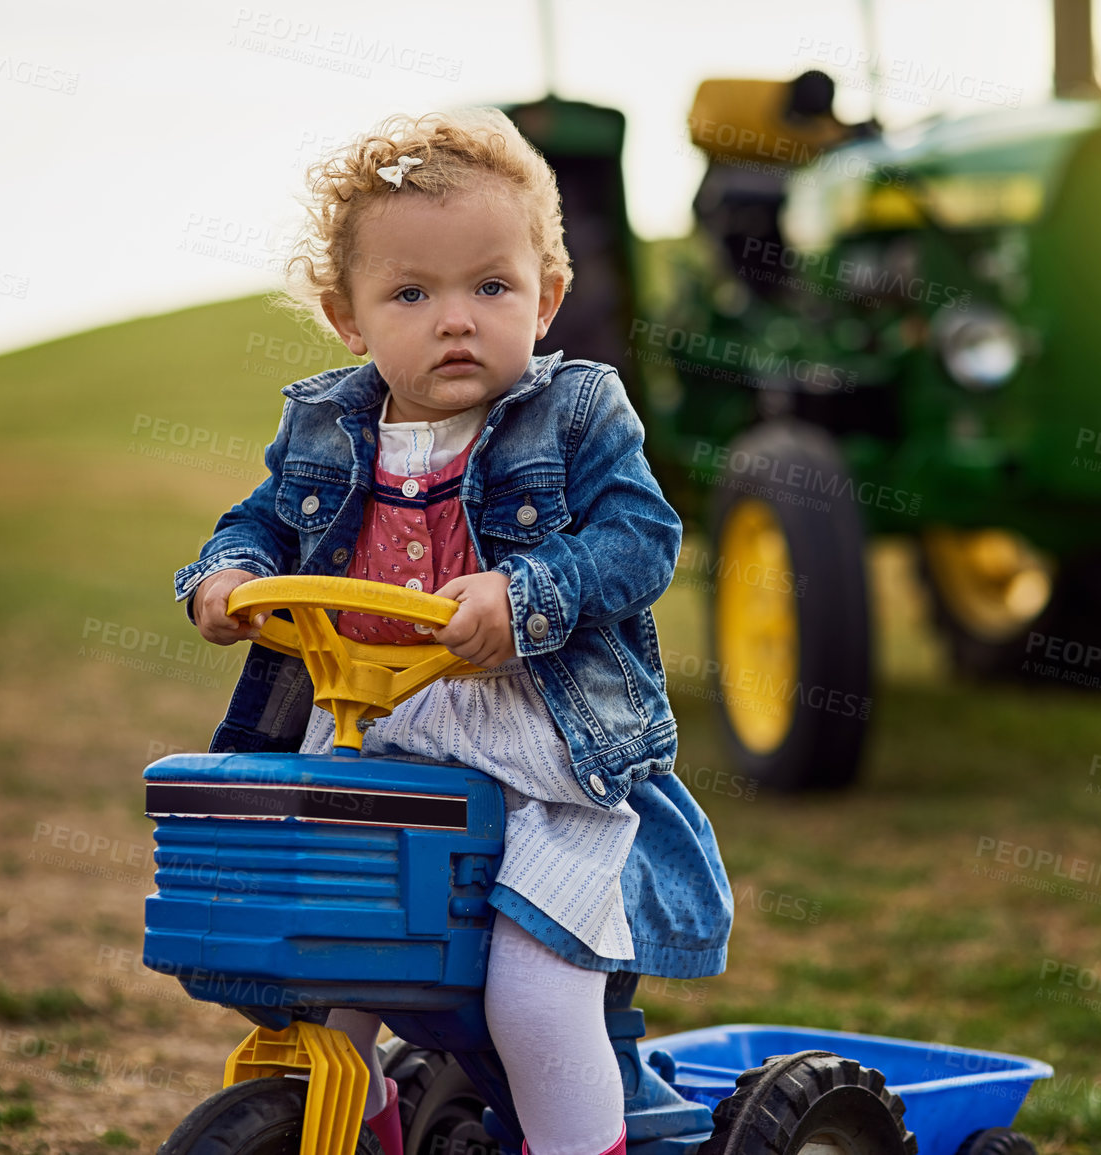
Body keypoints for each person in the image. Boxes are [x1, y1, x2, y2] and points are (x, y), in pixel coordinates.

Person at [171, 108, 733, 1155]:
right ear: (350, 318)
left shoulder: (576, 412)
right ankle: (356, 1126)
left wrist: (525, 598)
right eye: (411, 294)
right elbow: (260, 521)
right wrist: (227, 574)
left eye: (490, 287)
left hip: (537, 753)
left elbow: (642, 537)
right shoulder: (327, 423)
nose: (456, 320)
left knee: (534, 993)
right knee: (328, 976)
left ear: (546, 296)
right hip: (370, 738)